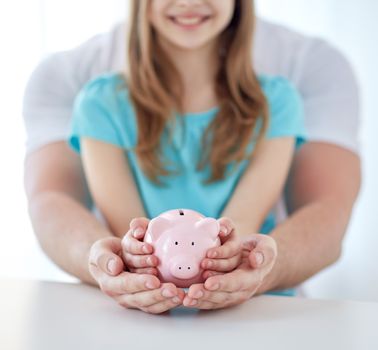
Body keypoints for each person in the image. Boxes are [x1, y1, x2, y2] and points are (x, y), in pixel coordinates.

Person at [23, 0, 361, 314]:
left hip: (253, 312)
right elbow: (134, 235)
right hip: (138, 313)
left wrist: (230, 261)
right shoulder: (100, 103)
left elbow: (240, 224)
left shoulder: (278, 102)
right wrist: (136, 265)